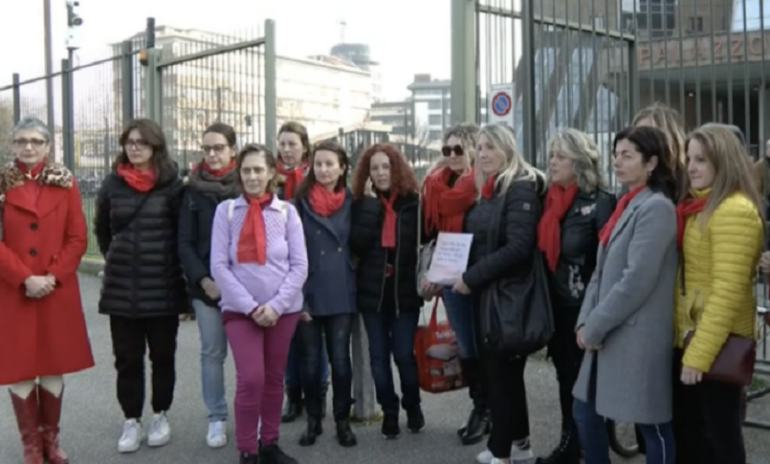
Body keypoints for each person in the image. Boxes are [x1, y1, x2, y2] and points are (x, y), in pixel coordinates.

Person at [572, 125, 678, 464]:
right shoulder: (625, 203)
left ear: (651, 163)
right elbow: (600, 272)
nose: (617, 162)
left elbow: (637, 280)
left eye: (627, 155)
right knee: (585, 411)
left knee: (651, 426)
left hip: (636, 335)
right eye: (615, 154)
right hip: (607, 330)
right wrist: (585, 321)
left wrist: (595, 326)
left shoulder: (656, 208)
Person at [0, 116, 94, 464]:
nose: (28, 147)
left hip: (56, 289)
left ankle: (50, 442)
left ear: (47, 146)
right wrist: (24, 278)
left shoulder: (65, 182)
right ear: (13, 146)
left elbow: (77, 236)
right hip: (13, 289)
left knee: (54, 361)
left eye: (36, 141)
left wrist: (52, 276)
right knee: (20, 364)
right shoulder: (0, 183)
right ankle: (30, 446)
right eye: (21, 141)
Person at [210, 143, 308, 464]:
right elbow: (219, 266)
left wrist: (276, 306)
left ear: (270, 174)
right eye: (246, 170)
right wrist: (252, 307)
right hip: (241, 311)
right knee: (251, 378)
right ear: (239, 173)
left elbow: (300, 265)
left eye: (258, 170)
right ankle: (247, 449)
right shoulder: (226, 212)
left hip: (283, 311)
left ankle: (269, 443)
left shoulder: (287, 212)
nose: (252, 176)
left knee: (273, 378)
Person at [94, 118, 187, 454]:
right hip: (122, 290)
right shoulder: (111, 184)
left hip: (162, 287)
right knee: (127, 359)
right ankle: (131, 419)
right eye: (130, 142)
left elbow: (181, 236)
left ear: (155, 148)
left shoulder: (173, 187)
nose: (134, 148)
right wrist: (116, 258)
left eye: (142, 143)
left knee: (163, 356)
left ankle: (160, 414)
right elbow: (103, 230)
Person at [674, 124, 764, 464]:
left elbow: (726, 293)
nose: (691, 167)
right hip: (698, 337)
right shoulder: (702, 205)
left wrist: (698, 354)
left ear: (723, 163)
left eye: (701, 159)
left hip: (716, 343)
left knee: (719, 439)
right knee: (702, 435)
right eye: (689, 158)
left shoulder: (734, 211)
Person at [458, 123, 545, 464]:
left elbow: (519, 247)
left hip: (508, 297)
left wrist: (472, 276)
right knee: (502, 374)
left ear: (508, 149)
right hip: (489, 294)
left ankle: (503, 452)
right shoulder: (490, 190)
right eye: (479, 147)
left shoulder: (519, 189)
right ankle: (520, 445)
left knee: (501, 376)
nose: (482, 153)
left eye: (490, 147)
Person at [535, 129, 615, 464]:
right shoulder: (548, 199)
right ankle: (571, 443)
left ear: (579, 163)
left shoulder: (599, 202)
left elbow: (607, 264)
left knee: (585, 383)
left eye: (561, 156)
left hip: (584, 307)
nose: (552, 162)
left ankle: (584, 446)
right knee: (565, 377)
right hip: (556, 305)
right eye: (551, 155)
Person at [418, 123, 489, 445]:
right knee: (467, 346)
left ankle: (495, 410)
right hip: (451, 279)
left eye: (458, 150)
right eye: (446, 150)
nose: (451, 156)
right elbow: (430, 236)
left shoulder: (486, 184)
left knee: (489, 345)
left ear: (473, 149)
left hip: (484, 277)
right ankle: (481, 407)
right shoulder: (434, 186)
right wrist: (432, 274)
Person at [350, 143, 425, 439]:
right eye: (375, 168)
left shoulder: (413, 203)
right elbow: (357, 243)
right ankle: (390, 412)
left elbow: (427, 239)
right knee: (378, 360)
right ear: (367, 174)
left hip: (404, 294)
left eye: (386, 166)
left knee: (404, 356)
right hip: (372, 297)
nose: (381, 173)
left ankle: (413, 406)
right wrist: (369, 204)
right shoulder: (360, 204)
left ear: (397, 168)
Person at [177, 122, 239, 448]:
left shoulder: (247, 185)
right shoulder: (191, 191)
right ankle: (216, 417)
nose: (211, 154)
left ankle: (249, 414)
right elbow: (184, 243)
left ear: (232, 150)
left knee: (248, 357)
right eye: (206, 148)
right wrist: (204, 279)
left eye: (218, 147)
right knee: (212, 353)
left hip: (244, 288)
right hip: (207, 289)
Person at [293, 140, 357, 447]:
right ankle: (314, 420)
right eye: (318, 163)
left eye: (330, 163)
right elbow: (291, 251)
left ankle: (342, 420)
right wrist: (298, 296)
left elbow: (362, 242)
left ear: (342, 167)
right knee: (309, 360)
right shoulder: (298, 201)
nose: (323, 169)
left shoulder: (353, 200)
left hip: (341, 289)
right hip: (308, 289)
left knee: (340, 359)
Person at [276, 122, 330, 424]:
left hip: (311, 264)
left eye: (292, 144)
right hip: (278, 266)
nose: (286, 149)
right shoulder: (272, 178)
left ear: (304, 147)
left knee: (312, 335)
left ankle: (317, 393)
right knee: (285, 335)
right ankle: (292, 394)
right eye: (282, 143)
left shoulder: (314, 179)